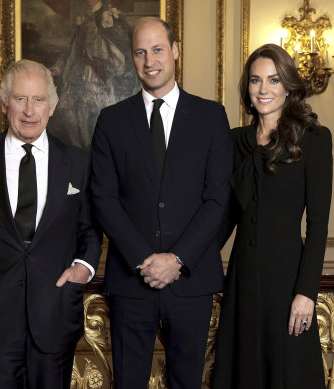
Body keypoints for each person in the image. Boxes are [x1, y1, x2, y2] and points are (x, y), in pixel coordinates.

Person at [90, 17, 233, 389]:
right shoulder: (111, 121)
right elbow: (104, 200)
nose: (149, 59)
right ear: (132, 59)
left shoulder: (211, 116)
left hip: (191, 281)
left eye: (157, 49)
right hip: (131, 282)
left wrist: (177, 259)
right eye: (140, 52)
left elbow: (218, 200)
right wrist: (143, 261)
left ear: (175, 51)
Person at [0, 59, 101, 389]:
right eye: (20, 99)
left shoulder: (78, 162)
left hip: (54, 314)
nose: (29, 110)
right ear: (5, 103)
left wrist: (84, 268)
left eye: (38, 100)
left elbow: (90, 228)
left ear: (53, 106)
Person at [212, 43, 332, 389]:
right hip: (242, 278)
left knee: (287, 372)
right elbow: (226, 217)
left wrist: (306, 292)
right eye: (255, 80)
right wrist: (184, 261)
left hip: (287, 282)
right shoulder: (235, 141)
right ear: (247, 88)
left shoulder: (314, 139)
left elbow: (319, 224)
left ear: (288, 86)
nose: (264, 89)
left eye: (273, 79)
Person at [48, 0, 140, 150]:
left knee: (98, 113)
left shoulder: (111, 17)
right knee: (70, 109)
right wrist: (59, 67)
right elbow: (73, 49)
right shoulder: (83, 19)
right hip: (78, 72)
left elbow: (124, 47)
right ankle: (81, 150)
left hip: (99, 74)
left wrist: (104, 58)